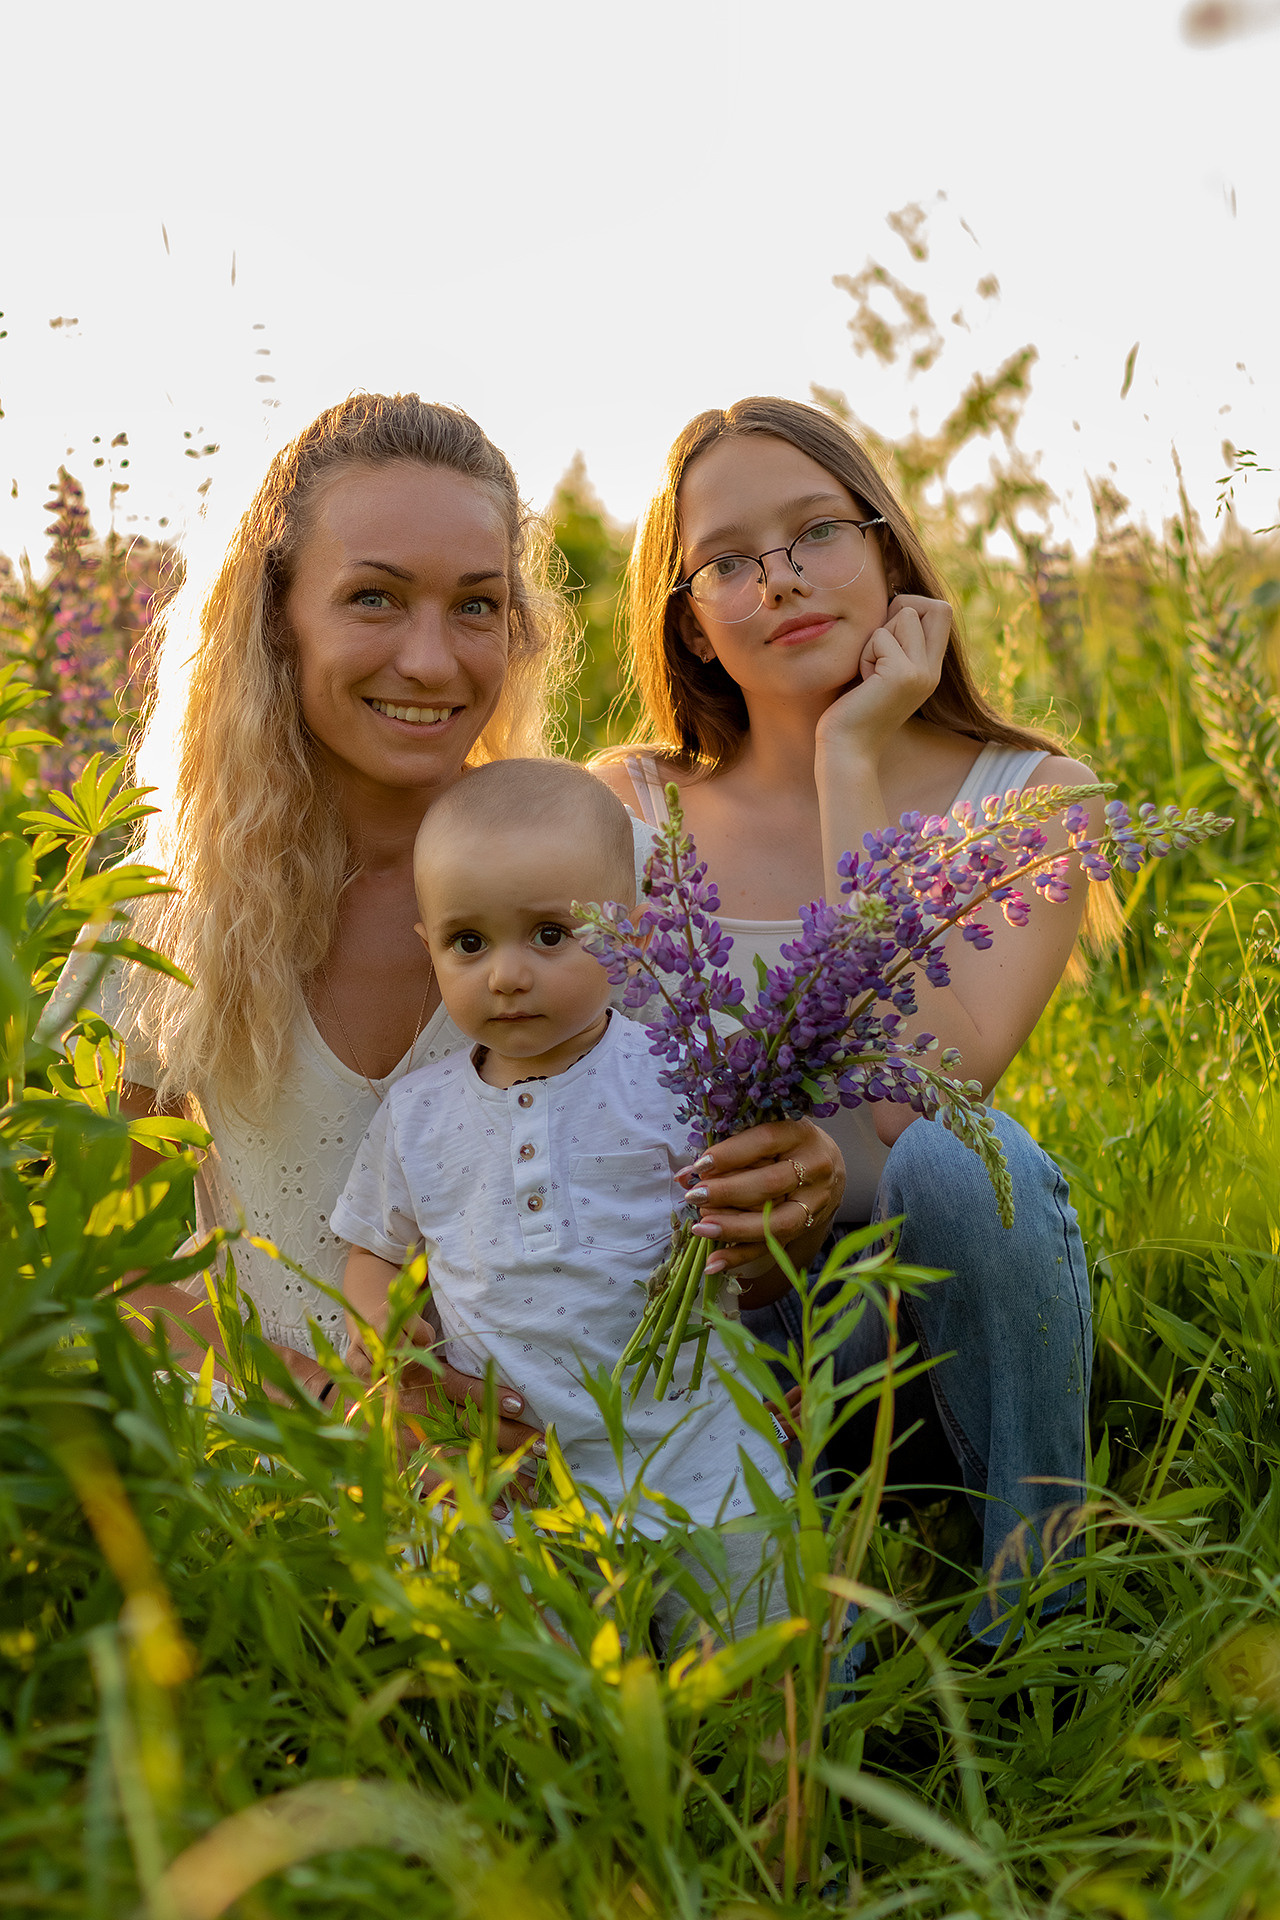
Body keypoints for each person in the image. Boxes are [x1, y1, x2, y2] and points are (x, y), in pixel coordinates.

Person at [70, 392, 842, 1461]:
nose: (431, 662)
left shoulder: (591, 881)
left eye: (475, 606)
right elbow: (110, 1263)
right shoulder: (170, 913)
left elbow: (690, 1224)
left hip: (595, 1483)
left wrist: (783, 1208)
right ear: (275, 619)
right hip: (276, 1495)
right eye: (374, 599)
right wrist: (334, 1402)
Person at [593, 396, 1104, 1646]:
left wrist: (846, 764)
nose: (778, 580)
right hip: (722, 1321)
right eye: (725, 562)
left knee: (957, 1162)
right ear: (694, 628)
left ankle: (1034, 1622)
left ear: (887, 555)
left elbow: (913, 1091)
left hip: (945, 1320)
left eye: (815, 531)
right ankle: (801, 1614)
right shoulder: (623, 807)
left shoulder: (1028, 797)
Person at [335, 759, 816, 1643]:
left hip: (698, 1458)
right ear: (427, 944)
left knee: (760, 1665)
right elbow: (372, 1254)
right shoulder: (419, 1112)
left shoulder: (681, 1074)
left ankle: (777, 1777)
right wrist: (390, 1341)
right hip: (518, 1475)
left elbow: (761, 1234)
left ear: (631, 931)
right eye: (468, 944)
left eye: (551, 934)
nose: (507, 975)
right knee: (531, 1693)